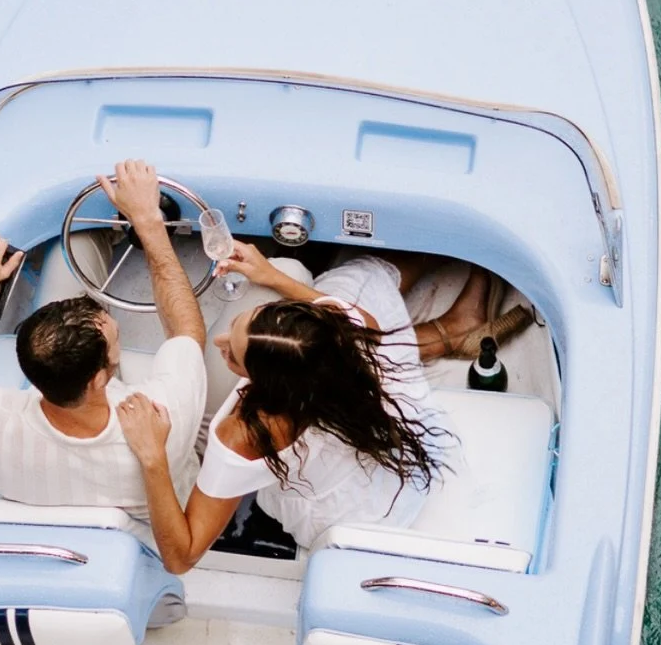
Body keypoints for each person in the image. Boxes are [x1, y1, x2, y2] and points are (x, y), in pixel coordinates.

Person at [0, 158, 206, 514]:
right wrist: (149, 225)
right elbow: (186, 331)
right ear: (99, 378)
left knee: (75, 246)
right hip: (179, 481)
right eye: (115, 343)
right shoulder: (165, 417)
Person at [118, 241, 448, 572]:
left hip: (342, 520)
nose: (218, 343)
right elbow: (324, 316)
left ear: (271, 384)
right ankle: (440, 322)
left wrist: (153, 458)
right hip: (398, 474)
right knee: (359, 282)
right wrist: (271, 275)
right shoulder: (353, 332)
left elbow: (181, 557)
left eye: (232, 355)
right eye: (235, 327)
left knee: (346, 284)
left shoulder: (248, 431)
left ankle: (445, 334)